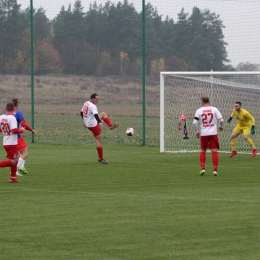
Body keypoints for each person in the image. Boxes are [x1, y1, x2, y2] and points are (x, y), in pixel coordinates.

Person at [80, 93, 120, 164]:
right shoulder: (93, 106)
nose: (97, 100)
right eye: (96, 99)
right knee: (99, 140)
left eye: (98, 99)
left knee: (103, 114)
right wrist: (99, 122)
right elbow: (95, 115)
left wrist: (85, 121)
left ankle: (110, 125)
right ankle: (100, 158)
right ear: (92, 98)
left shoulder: (86, 103)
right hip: (93, 125)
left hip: (88, 124)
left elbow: (81, 113)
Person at [193, 96, 224, 176]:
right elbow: (221, 120)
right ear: (209, 101)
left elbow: (194, 122)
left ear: (202, 102)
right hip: (213, 133)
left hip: (204, 134)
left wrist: (196, 132)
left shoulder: (199, 110)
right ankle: (215, 170)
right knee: (214, 151)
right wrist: (220, 126)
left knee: (203, 150)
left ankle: (203, 168)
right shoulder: (214, 109)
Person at [11, 98, 37, 176]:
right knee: (25, 154)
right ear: (17, 104)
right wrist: (32, 130)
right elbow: (24, 125)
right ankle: (14, 170)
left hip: (9, 137)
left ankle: (21, 166)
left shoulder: (6, 113)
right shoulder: (18, 113)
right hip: (16, 136)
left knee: (24, 150)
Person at [0, 102, 25, 183]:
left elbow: (1, 129)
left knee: (15, 159)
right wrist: (21, 130)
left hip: (6, 142)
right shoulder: (12, 118)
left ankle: (13, 178)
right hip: (12, 143)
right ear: (14, 109)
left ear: (6, 109)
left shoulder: (1, 117)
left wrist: (4, 131)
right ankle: (13, 178)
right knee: (13, 161)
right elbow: (14, 130)